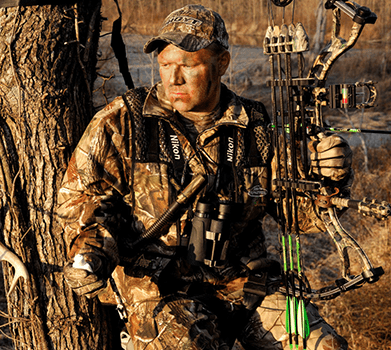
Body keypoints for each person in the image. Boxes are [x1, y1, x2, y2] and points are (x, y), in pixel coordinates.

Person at [56, 4, 353, 350]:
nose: (173, 79)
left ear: (221, 63)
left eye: (188, 65)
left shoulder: (255, 126)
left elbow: (301, 216)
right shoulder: (123, 120)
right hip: (157, 285)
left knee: (322, 346)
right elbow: (81, 199)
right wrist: (92, 251)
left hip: (245, 280)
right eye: (166, 65)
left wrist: (329, 180)